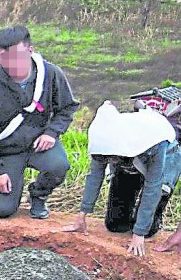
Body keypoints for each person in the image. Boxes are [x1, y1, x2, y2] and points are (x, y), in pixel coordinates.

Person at [0, 25, 79, 219]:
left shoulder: (51, 74)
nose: (12, 62)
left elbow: (67, 107)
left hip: (39, 144)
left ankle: (38, 195)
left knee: (58, 166)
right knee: (2, 210)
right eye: (5, 57)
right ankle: (8, 188)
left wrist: (52, 132)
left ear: (30, 50)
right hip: (7, 150)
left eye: (17, 55)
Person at [63, 101, 177, 256]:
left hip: (162, 159)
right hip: (129, 162)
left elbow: (153, 186)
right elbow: (95, 176)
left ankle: (150, 221)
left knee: (147, 230)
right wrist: (82, 215)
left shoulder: (156, 142)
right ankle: (133, 217)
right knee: (115, 224)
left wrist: (139, 233)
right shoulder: (104, 140)